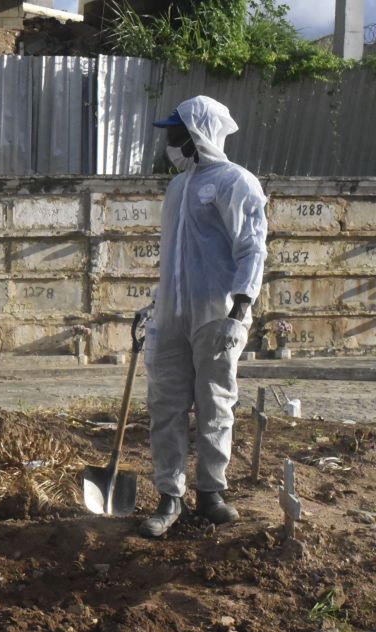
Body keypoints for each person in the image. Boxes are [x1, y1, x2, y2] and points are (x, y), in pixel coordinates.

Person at [138, 95, 268, 538]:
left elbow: (251, 247)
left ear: (197, 133)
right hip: (172, 312)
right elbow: (172, 257)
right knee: (166, 404)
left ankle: (211, 492)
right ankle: (169, 497)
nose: (169, 141)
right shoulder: (177, 187)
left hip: (217, 311)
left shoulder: (238, 182)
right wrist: (155, 304)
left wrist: (241, 304)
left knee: (215, 402)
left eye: (176, 132)